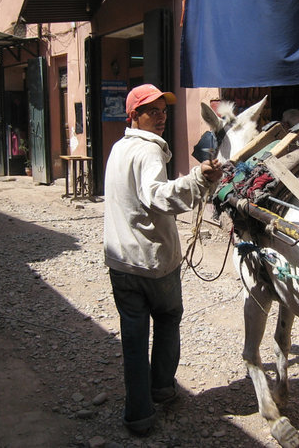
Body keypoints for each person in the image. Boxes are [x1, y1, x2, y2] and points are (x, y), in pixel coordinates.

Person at [103, 83, 222, 435]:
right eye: (151, 110)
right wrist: (198, 179)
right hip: (152, 263)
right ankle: (163, 389)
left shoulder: (119, 148)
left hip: (120, 262)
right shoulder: (149, 151)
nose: (160, 117)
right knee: (169, 318)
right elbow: (158, 197)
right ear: (134, 115)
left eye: (163, 110)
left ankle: (138, 416)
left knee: (134, 338)